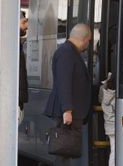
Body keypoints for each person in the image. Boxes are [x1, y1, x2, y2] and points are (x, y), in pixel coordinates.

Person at [43, 23, 92, 165]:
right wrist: (67, 110)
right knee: (63, 150)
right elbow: (64, 83)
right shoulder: (66, 53)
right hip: (67, 112)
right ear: (84, 39)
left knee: (66, 151)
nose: (88, 44)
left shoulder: (70, 52)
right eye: (89, 41)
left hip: (70, 111)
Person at [98, 73, 115, 166]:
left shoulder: (103, 91)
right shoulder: (116, 95)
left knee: (113, 149)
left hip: (108, 126)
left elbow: (100, 100)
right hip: (117, 126)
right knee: (116, 151)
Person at [19, 11, 29, 124]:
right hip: (13, 102)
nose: (27, 26)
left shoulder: (18, 45)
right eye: (24, 22)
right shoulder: (11, 46)